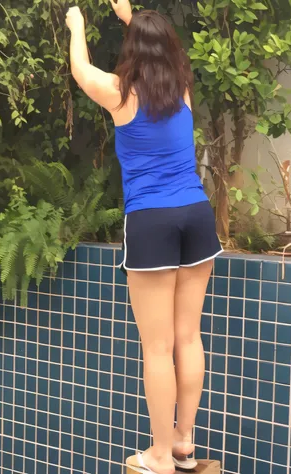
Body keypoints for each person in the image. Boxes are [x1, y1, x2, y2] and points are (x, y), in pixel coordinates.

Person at [66, 2, 222, 473]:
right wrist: (133, 18)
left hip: (152, 221)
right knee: (187, 338)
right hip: (196, 215)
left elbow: (80, 70)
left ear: (132, 50)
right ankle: (183, 443)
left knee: (156, 348)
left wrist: (77, 24)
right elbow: (157, 50)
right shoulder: (183, 89)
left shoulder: (120, 92)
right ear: (169, 48)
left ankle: (158, 454)